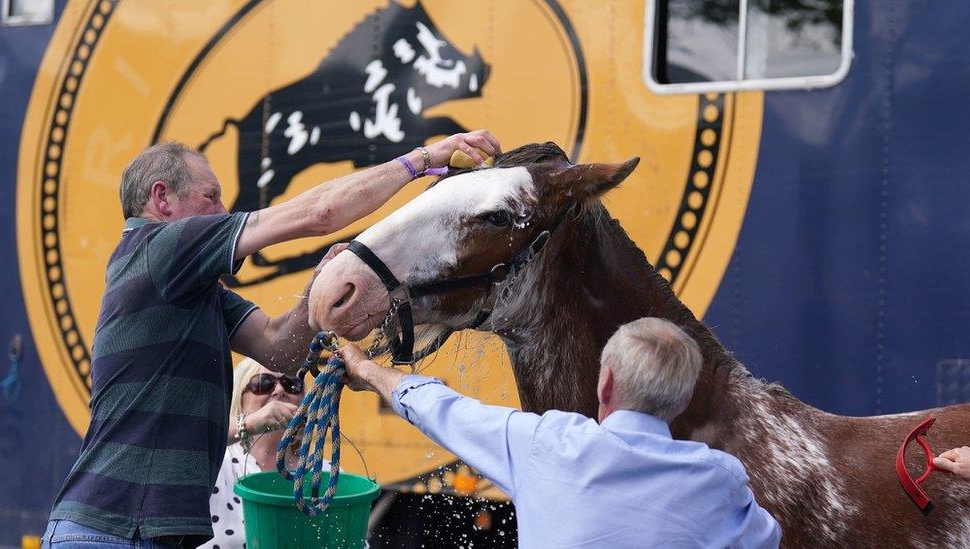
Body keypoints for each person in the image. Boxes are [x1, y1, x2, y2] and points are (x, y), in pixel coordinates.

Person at [42, 131, 501, 549]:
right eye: (211, 197)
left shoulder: (195, 291)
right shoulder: (162, 247)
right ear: (162, 199)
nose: (224, 212)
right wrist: (420, 161)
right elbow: (319, 214)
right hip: (111, 532)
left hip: (141, 533)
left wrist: (317, 289)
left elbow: (280, 348)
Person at [339, 317, 782, 548]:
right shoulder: (720, 481)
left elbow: (440, 409)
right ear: (683, 401)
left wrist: (364, 368)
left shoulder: (545, 445)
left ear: (605, 384)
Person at [198, 358, 312, 549]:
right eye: (263, 384)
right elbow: (178, 441)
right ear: (239, 397)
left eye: (291, 384)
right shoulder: (216, 462)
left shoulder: (323, 472)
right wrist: (248, 425)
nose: (279, 390)